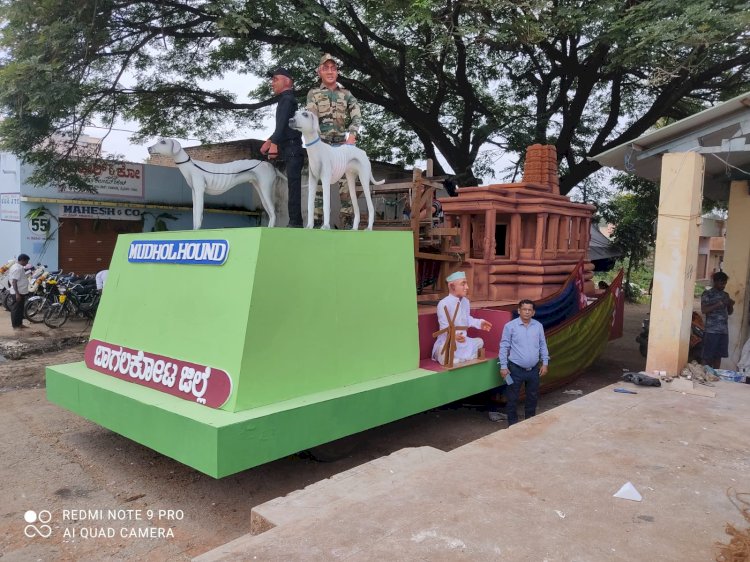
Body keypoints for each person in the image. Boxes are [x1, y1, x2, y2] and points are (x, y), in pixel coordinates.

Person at [260, 67, 304, 228]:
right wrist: (269, 140)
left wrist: (274, 144)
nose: (272, 83)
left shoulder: (287, 99)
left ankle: (295, 222)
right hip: (289, 147)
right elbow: (282, 125)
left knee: (294, 186)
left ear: (287, 81)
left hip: (292, 147)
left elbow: (283, 124)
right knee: (292, 185)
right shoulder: (285, 99)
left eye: (275, 79)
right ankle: (294, 221)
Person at [498, 299, 550, 425]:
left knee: (532, 398)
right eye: (524, 309)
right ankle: (513, 425)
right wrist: (503, 366)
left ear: (533, 312)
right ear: (519, 311)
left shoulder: (538, 326)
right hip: (515, 369)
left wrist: (545, 363)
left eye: (529, 310)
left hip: (533, 370)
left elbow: (543, 345)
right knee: (512, 398)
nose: (527, 312)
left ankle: (529, 424)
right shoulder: (510, 326)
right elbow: (504, 346)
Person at [432, 271, 492, 366]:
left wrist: (479, 323)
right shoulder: (443, 304)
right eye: (463, 284)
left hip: (464, 340)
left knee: (480, 342)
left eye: (466, 284)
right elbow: (444, 326)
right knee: (446, 349)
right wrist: (453, 336)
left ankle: (460, 357)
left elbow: (467, 319)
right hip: (448, 341)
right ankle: (452, 357)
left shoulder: (466, 302)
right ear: (452, 286)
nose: (467, 287)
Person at [306, 54, 362, 145]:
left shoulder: (346, 94)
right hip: (321, 145)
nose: (330, 72)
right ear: (319, 73)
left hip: (342, 146)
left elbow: (357, 116)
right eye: (325, 68)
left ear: (337, 73)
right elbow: (312, 120)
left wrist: (352, 136)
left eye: (333, 68)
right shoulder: (313, 94)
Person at [701, 271, 734, 369]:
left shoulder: (726, 295)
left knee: (718, 356)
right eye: (721, 283)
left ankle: (715, 375)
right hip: (711, 331)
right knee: (707, 356)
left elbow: (730, 312)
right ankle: (704, 375)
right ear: (715, 282)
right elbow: (704, 310)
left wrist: (730, 305)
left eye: (724, 283)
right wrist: (719, 304)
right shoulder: (708, 294)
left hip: (723, 331)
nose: (723, 286)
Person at [8, 253, 30, 330]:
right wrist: (17, 294)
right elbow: (14, 281)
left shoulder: (17, 266)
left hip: (21, 291)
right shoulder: (18, 268)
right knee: (16, 309)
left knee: (20, 309)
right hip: (18, 292)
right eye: (27, 261)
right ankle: (15, 326)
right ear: (22, 260)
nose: (27, 263)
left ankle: (20, 324)